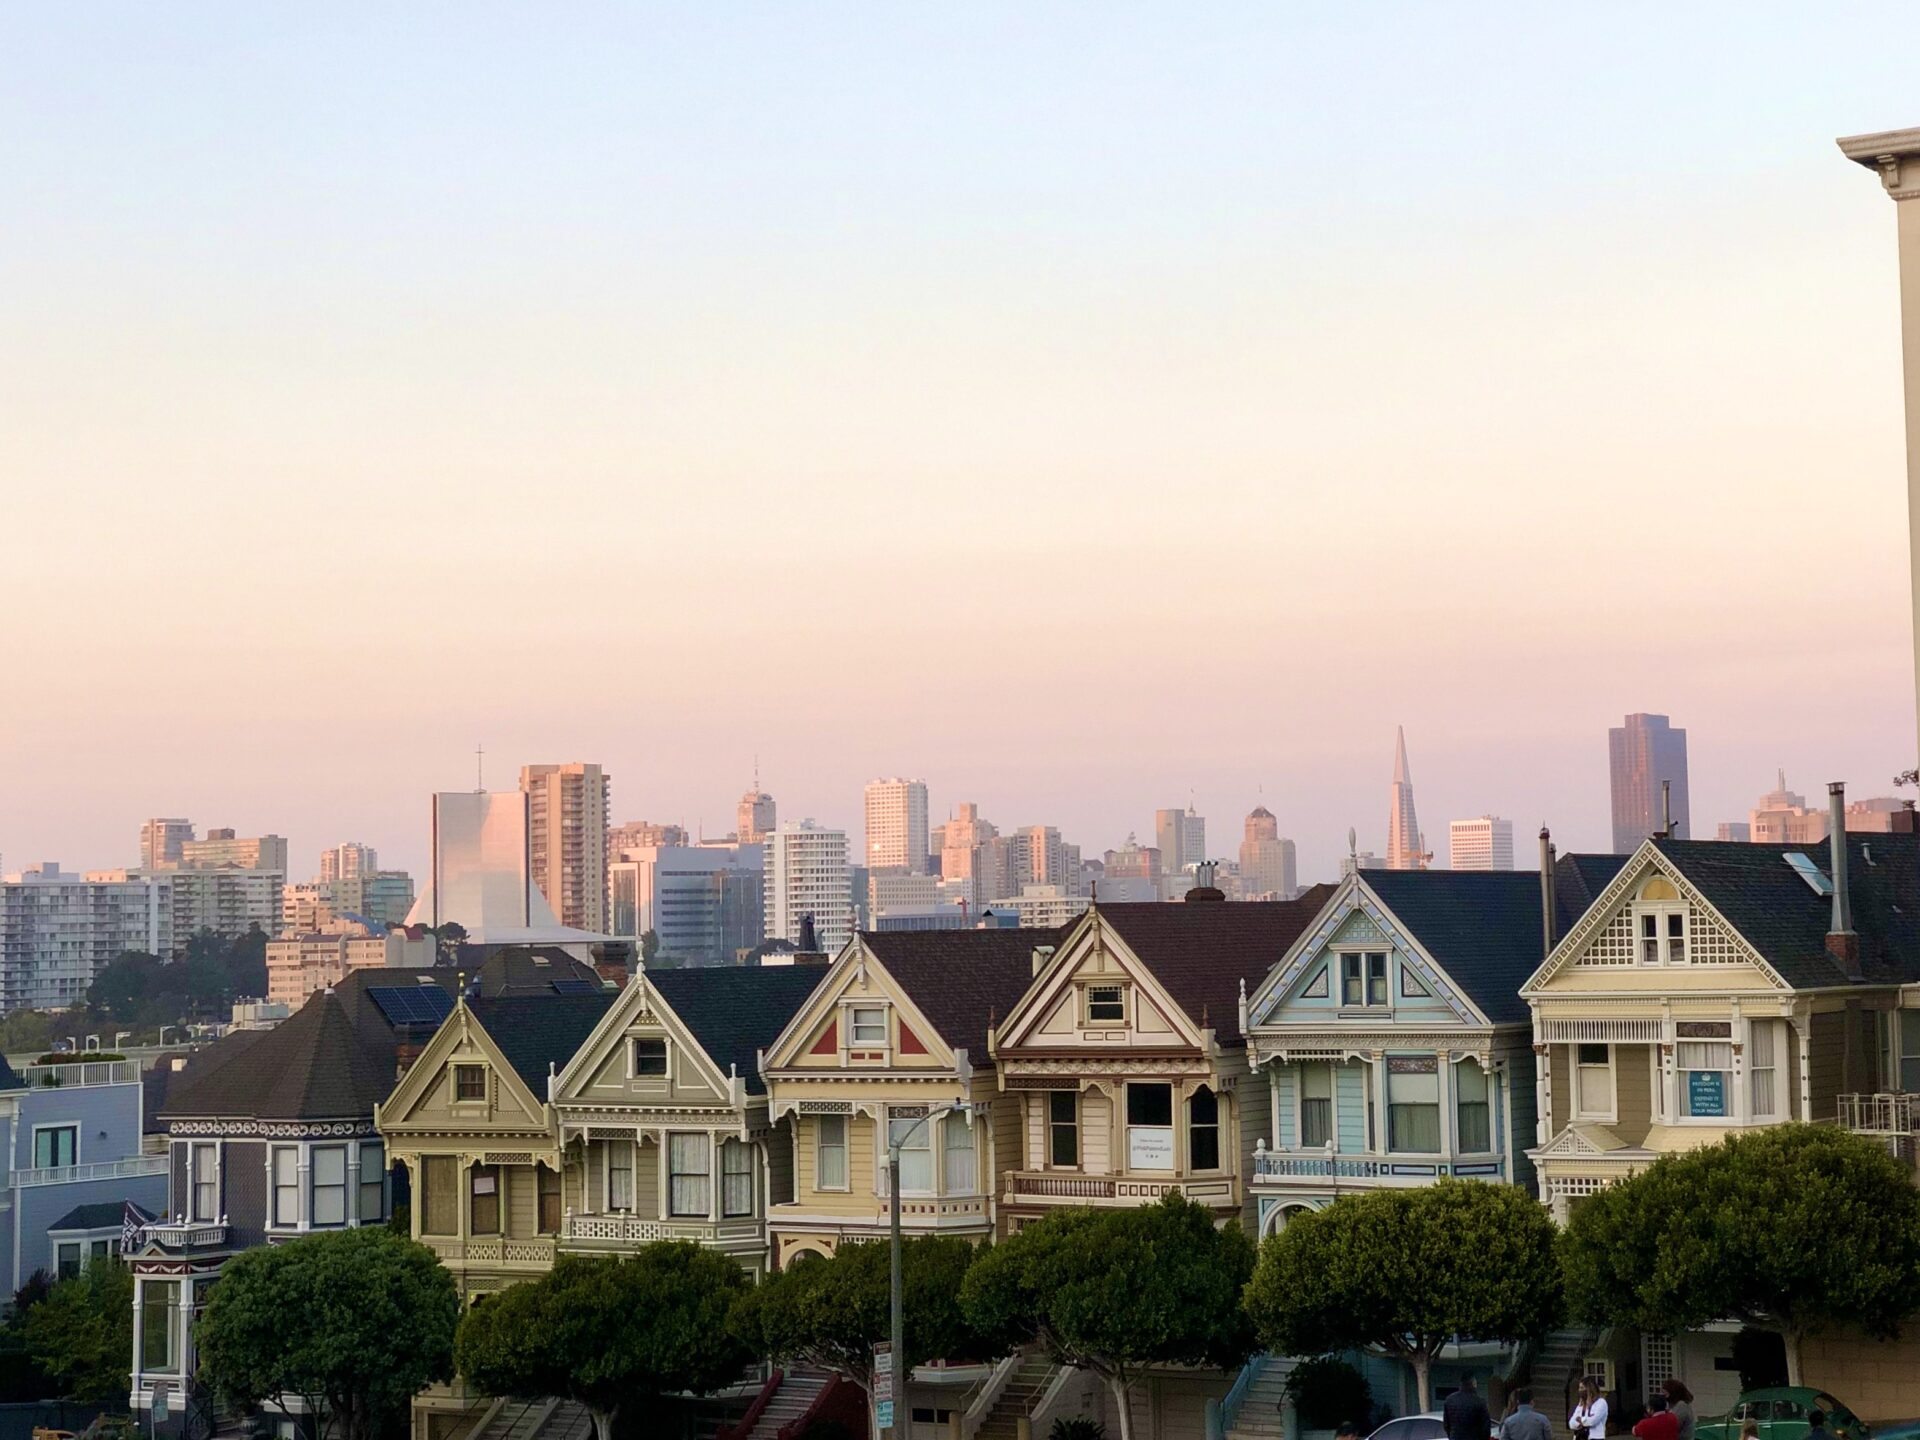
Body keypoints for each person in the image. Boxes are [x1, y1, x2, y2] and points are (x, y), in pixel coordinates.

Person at [1445, 1375, 1494, 1440]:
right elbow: (1485, 1427)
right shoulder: (1479, 1401)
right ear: (1473, 1384)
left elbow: (1446, 1425)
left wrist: (1452, 1436)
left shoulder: (1449, 1400)